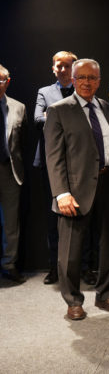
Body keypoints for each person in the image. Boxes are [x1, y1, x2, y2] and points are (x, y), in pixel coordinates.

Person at [44, 58, 109, 320]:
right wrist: (61, 193)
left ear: (99, 81)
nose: (86, 82)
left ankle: (105, 296)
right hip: (74, 189)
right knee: (70, 251)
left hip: (108, 184)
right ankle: (73, 301)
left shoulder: (107, 108)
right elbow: (54, 156)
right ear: (73, 79)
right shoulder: (59, 110)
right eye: (81, 77)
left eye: (91, 78)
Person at [34, 51, 97, 286]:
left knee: (85, 214)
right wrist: (59, 116)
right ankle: (54, 267)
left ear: (75, 68)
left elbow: (90, 122)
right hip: (52, 162)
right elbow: (37, 119)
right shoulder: (45, 92)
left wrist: (52, 114)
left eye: (67, 65)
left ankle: (85, 267)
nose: (62, 69)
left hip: (82, 163)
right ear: (53, 68)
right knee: (54, 218)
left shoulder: (83, 91)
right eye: (58, 66)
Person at [0, 64, 27, 283]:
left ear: (8, 82)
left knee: (11, 223)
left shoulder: (19, 107)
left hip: (10, 171)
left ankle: (9, 264)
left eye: (0, 80)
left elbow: (23, 141)